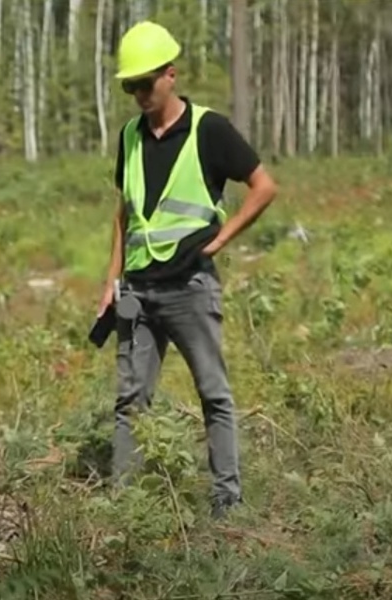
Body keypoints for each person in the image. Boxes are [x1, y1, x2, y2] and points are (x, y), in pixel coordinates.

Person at [98, 21, 278, 519]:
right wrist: (111, 282)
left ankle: (227, 500)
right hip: (137, 290)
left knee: (213, 395)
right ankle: (124, 505)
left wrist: (222, 238)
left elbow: (264, 186)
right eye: (130, 86)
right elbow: (124, 213)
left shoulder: (210, 129)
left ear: (171, 75)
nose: (138, 94)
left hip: (190, 289)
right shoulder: (130, 136)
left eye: (145, 83)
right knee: (130, 401)